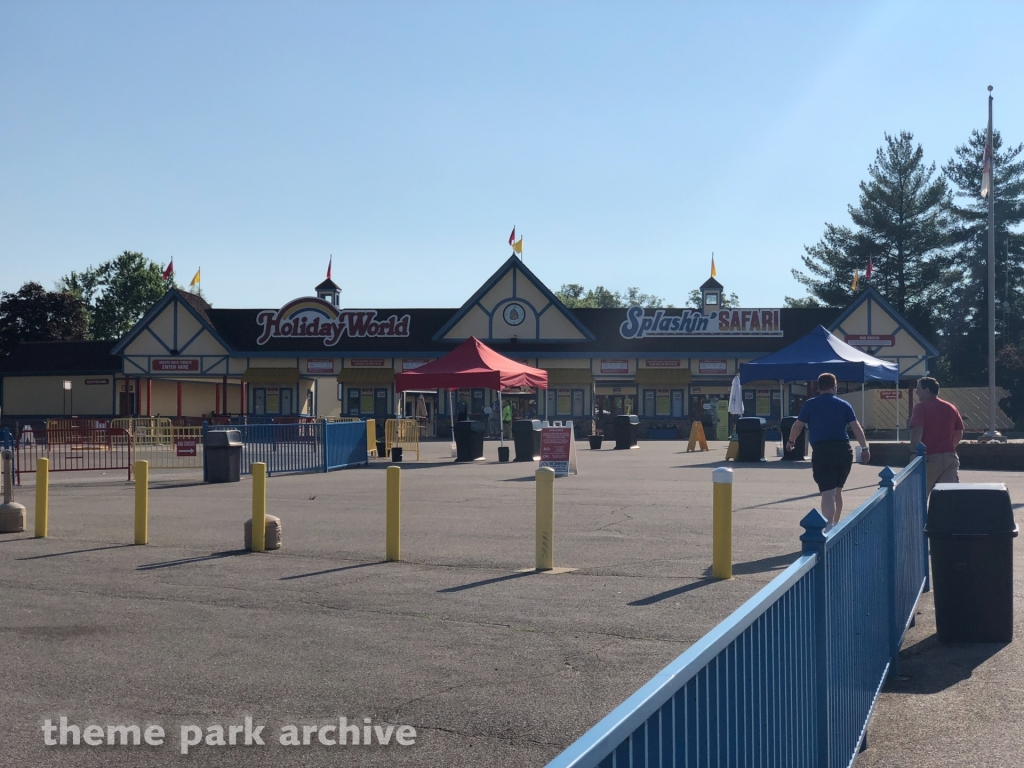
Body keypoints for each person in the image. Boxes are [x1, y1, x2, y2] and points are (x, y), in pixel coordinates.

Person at [786, 373, 871, 530]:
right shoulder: (844, 404)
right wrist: (864, 447)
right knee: (837, 491)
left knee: (828, 492)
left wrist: (791, 441)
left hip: (823, 450)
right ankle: (835, 525)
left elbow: (798, 425)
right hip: (844, 450)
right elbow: (856, 426)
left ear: (819, 387)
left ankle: (828, 528)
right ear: (834, 386)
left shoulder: (810, 404)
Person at [909, 377, 964, 493]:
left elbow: (917, 431)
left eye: (919, 389)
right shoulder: (951, 407)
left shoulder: (920, 407)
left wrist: (914, 453)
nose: (916, 392)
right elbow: (958, 432)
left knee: (920, 494)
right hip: (950, 458)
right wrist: (950, 447)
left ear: (927, 390)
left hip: (930, 458)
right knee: (948, 496)